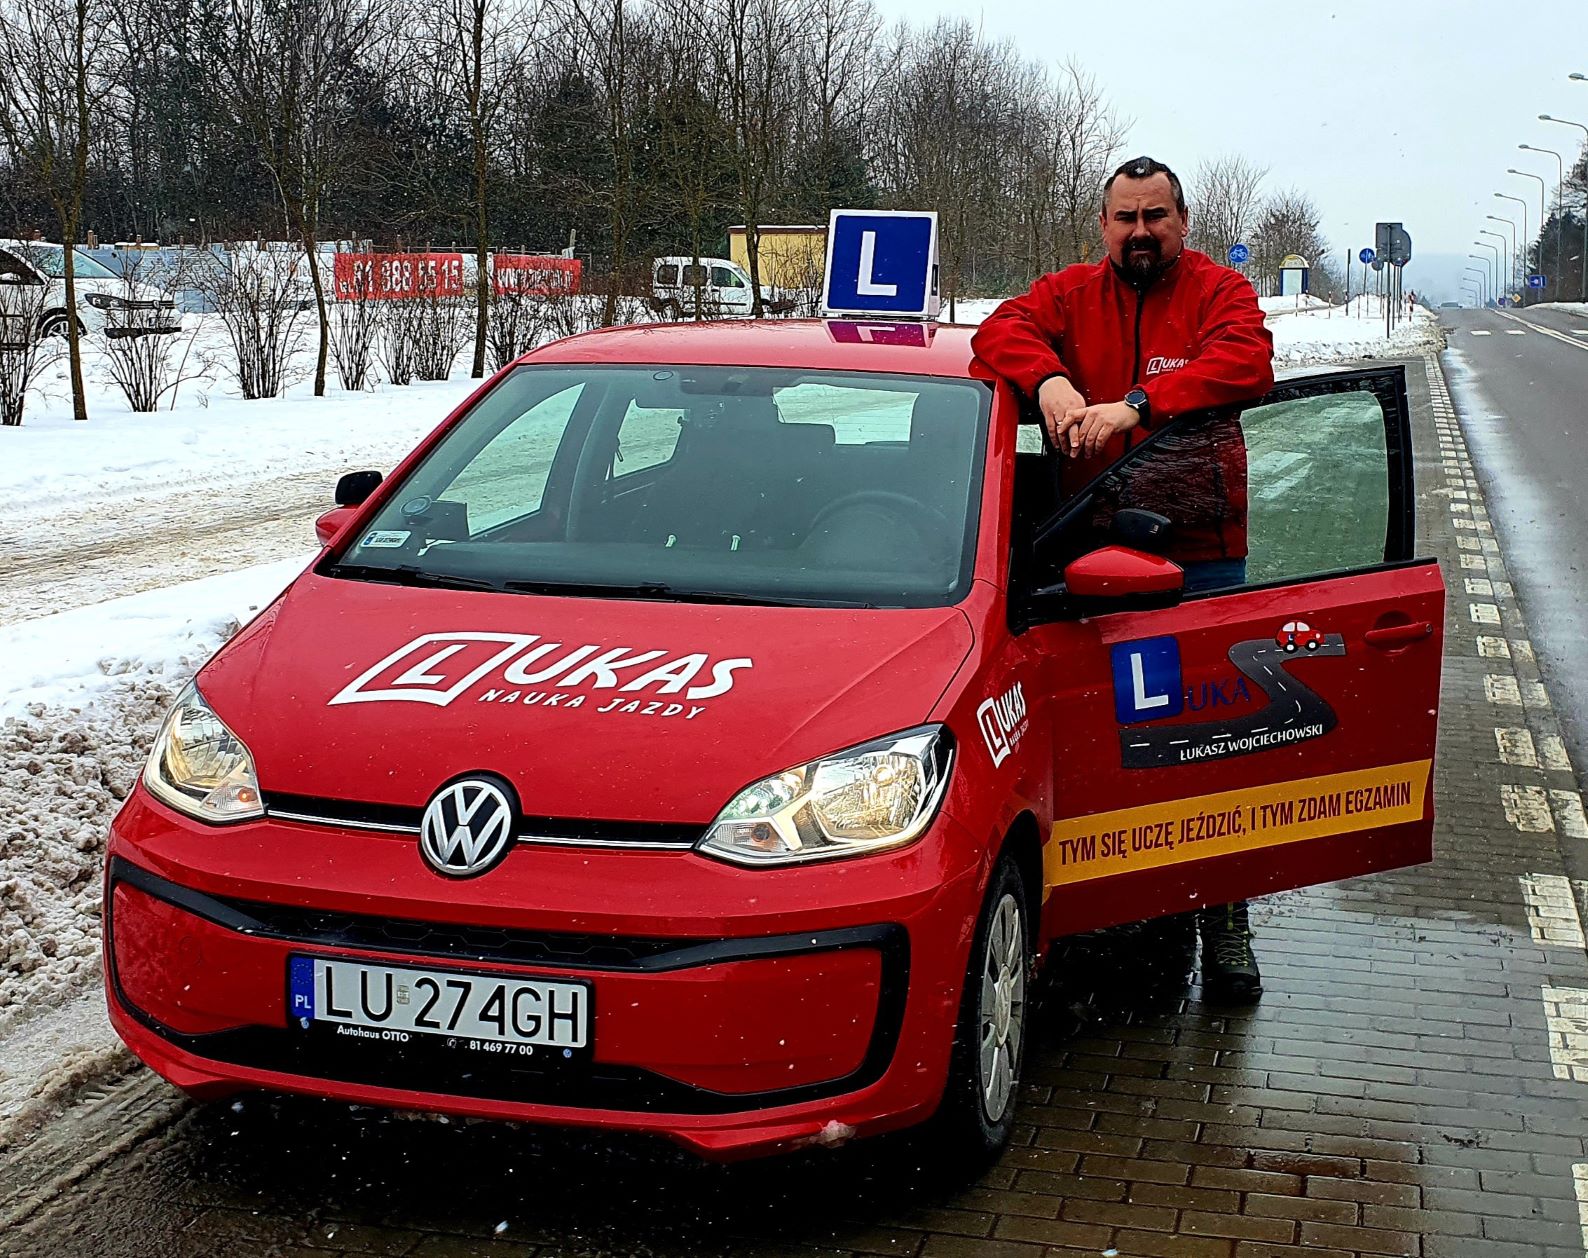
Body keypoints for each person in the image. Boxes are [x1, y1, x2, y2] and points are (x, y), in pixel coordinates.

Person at [971, 155, 1275, 1002]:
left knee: (1214, 745)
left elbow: (1247, 364)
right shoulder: (1069, 295)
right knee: (1108, 739)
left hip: (1202, 552)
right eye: (1125, 218)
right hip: (1093, 551)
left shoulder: (1220, 294)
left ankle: (1226, 919)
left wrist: (1138, 403)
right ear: (1101, 226)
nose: (1140, 232)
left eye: (1156, 216)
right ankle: (1116, 900)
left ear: (1183, 221)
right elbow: (998, 331)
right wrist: (1054, 380)